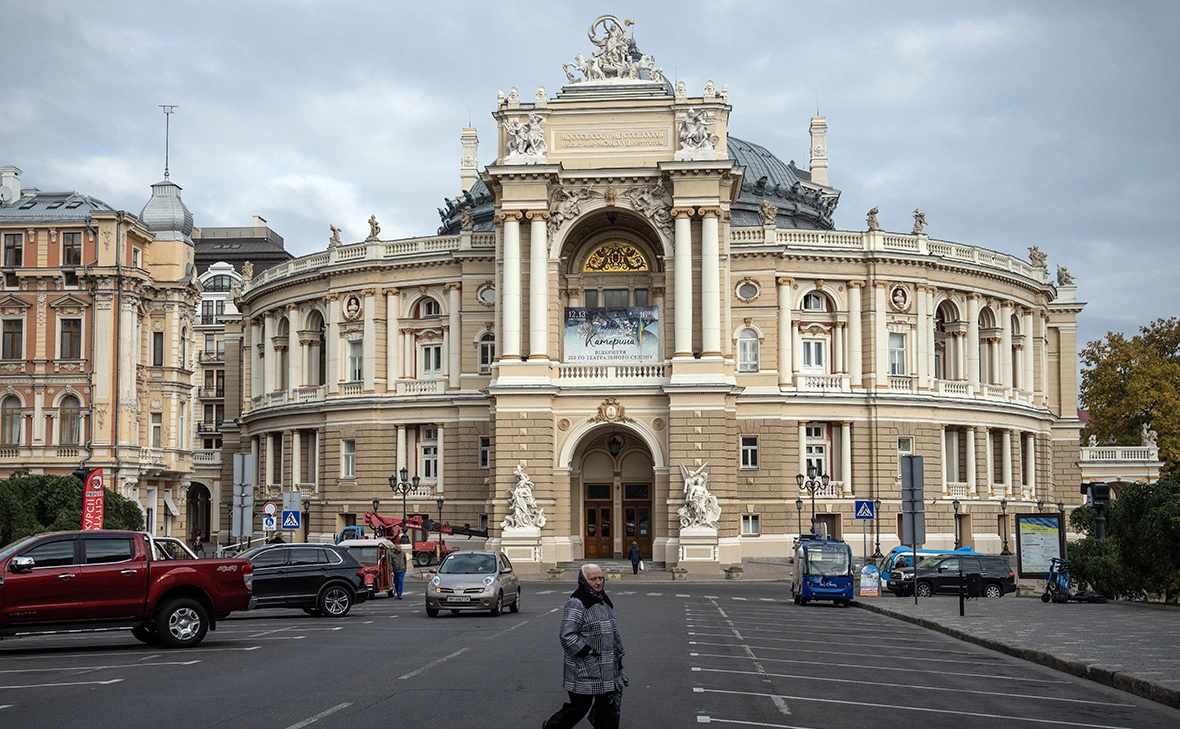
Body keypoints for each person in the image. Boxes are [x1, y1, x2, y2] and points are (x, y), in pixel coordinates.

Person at [542, 564, 625, 729]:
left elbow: (611, 630)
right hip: (585, 668)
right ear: (584, 581)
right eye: (593, 579)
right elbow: (567, 635)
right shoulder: (577, 603)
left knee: (607, 708)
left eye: (600, 578)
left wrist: (618, 653)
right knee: (578, 708)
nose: (598, 582)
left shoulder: (603, 600)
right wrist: (587, 652)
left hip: (606, 667)